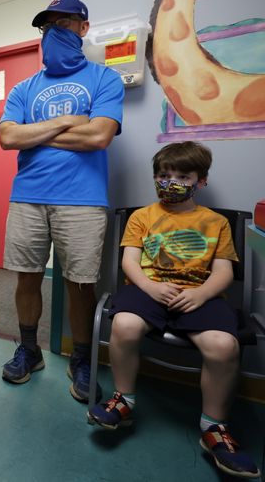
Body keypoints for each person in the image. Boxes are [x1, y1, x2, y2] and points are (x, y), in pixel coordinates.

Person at [87, 142, 260, 479]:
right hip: (146, 289)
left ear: (201, 181)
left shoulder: (215, 222)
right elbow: (130, 261)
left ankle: (213, 428)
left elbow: (223, 271)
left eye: (182, 176)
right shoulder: (142, 217)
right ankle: (124, 401)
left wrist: (202, 294)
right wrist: (150, 287)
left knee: (224, 346)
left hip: (199, 294)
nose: (171, 182)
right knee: (123, 325)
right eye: (164, 175)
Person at [0, 0, 124, 402]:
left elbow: (100, 135)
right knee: (27, 277)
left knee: (80, 284)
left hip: (83, 200)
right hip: (28, 196)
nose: (53, 32)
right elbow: (6, 137)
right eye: (47, 26)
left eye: (63, 23)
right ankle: (29, 349)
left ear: (83, 28)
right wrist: (68, 122)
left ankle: (82, 358)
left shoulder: (105, 78)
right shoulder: (23, 88)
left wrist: (37, 131)